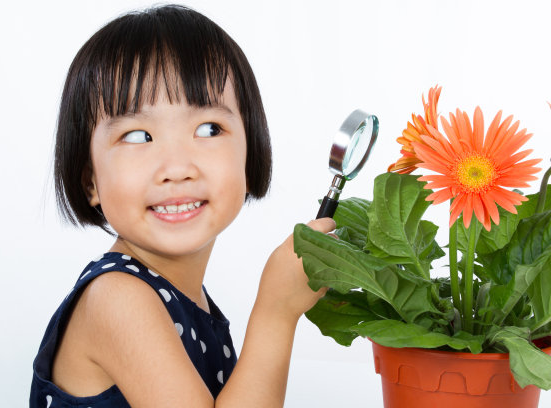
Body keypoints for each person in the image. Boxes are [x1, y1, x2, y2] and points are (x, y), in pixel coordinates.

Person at [29, 4, 335, 407]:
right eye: (138, 136)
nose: (176, 168)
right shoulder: (118, 299)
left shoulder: (177, 294)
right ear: (91, 182)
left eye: (208, 129)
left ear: (250, 151)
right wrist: (276, 312)